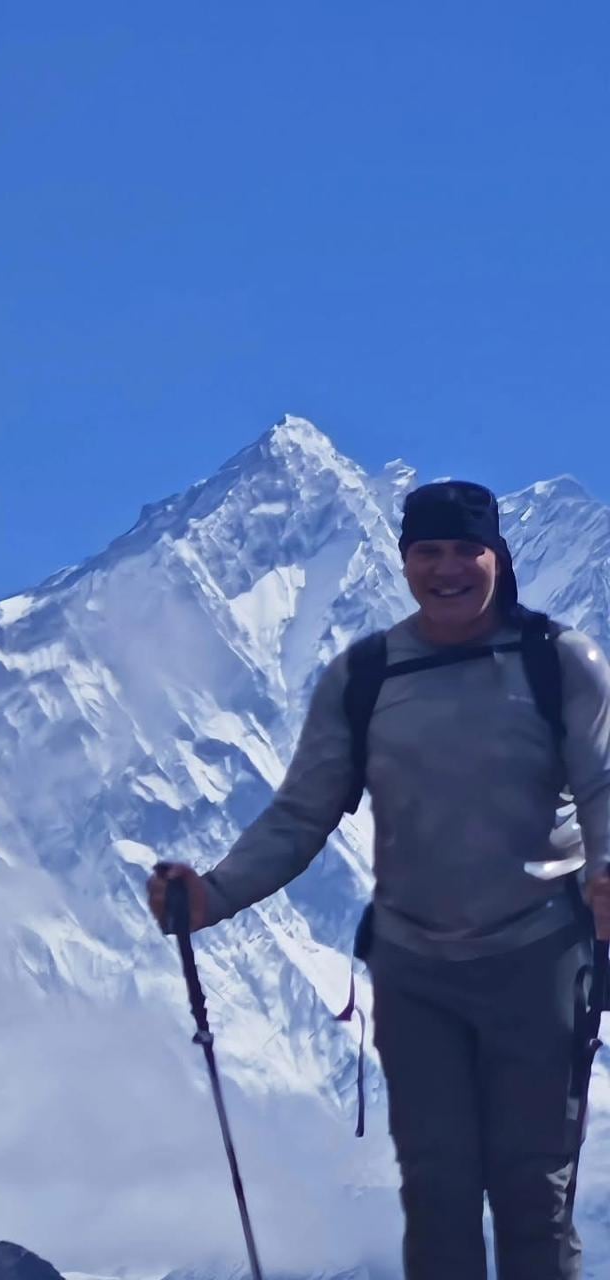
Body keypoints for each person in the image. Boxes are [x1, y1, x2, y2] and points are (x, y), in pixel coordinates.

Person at [147, 479, 610, 1280]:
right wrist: (211, 896)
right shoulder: (366, 677)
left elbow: (604, 784)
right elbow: (301, 815)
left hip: (540, 961)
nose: (448, 567)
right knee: (437, 1195)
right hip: (415, 970)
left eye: (466, 548)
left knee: (534, 1196)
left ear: (496, 555)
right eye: (427, 551)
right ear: (403, 562)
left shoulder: (558, 661)